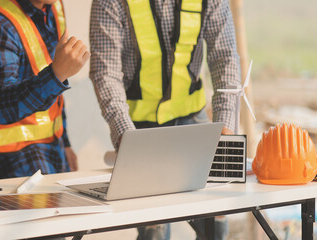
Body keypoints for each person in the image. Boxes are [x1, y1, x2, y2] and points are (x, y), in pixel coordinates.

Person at [89, 0, 240, 239]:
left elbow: (225, 59)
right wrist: (128, 139)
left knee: (216, 221)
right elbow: (105, 73)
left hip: (194, 123)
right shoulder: (111, 2)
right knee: (154, 230)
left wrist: (225, 125)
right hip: (140, 130)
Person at [0, 0, 89, 181]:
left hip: (54, 155)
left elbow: (54, 97)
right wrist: (56, 75)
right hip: (11, 167)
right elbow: (0, 107)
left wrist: (64, 142)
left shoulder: (53, 8)